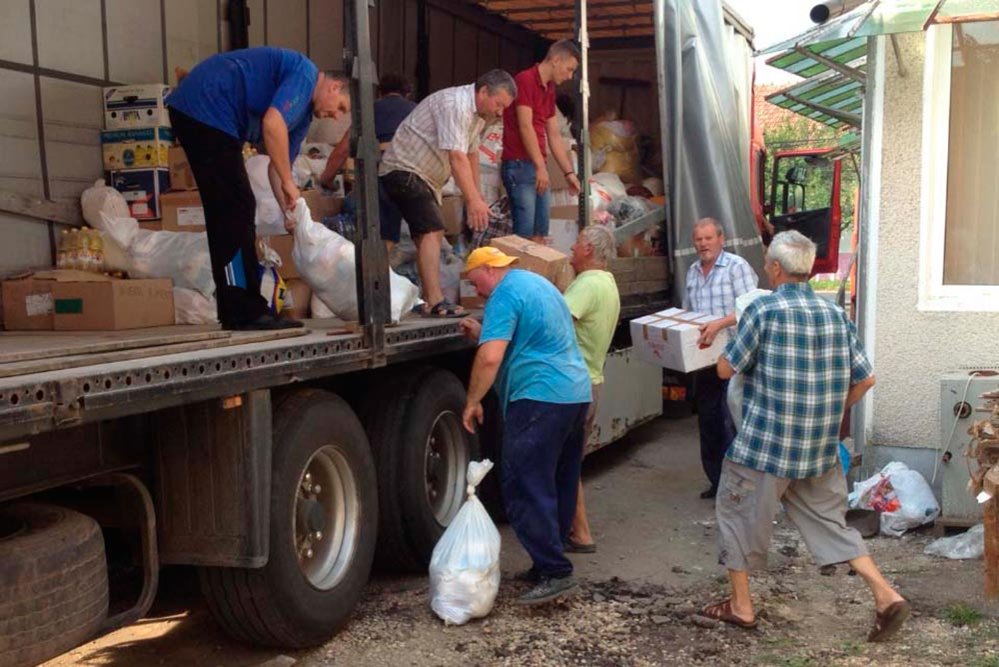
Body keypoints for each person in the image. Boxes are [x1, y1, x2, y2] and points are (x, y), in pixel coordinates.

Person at [704, 230, 909, 642]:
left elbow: (727, 370)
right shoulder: (836, 314)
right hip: (817, 449)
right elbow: (866, 378)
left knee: (736, 514)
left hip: (764, 447)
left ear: (776, 268)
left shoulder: (763, 311)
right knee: (830, 523)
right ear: (809, 268)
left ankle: (742, 607)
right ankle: (886, 594)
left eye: (767, 262)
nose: (766, 267)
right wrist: (831, 413)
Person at [166, 47, 350, 330]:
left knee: (231, 212)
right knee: (235, 210)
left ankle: (237, 306)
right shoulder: (305, 74)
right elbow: (272, 124)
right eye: (340, 107)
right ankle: (243, 308)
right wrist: (290, 185)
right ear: (334, 86)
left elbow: (278, 168)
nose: (336, 117)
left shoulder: (301, 118)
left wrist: (290, 210)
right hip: (206, 105)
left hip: (206, 114)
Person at [458, 246, 591, 605]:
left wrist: (472, 402)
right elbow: (529, 335)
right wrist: (484, 331)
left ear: (488, 269)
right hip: (574, 394)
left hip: (539, 397)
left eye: (476, 282)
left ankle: (554, 571)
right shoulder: (535, 283)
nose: (478, 292)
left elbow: (490, 357)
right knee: (559, 480)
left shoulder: (503, 294)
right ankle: (549, 558)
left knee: (523, 482)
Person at [380, 70, 516, 318]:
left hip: (425, 177)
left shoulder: (478, 117)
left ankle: (423, 299)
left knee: (419, 235)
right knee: (432, 230)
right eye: (499, 104)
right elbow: (457, 156)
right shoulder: (455, 105)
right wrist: (473, 200)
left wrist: (475, 196)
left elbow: (472, 154)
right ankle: (434, 300)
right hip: (405, 169)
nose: (500, 112)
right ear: (483, 91)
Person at [683, 217, 758, 498]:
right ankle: (717, 482)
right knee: (709, 420)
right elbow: (687, 312)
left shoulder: (736, 267)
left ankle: (741, 485)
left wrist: (718, 324)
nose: (703, 244)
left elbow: (752, 308)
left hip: (734, 356)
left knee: (733, 419)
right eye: (698, 239)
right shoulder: (692, 271)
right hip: (704, 359)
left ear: (721, 239)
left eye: (708, 238)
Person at [563, 225, 621, 553]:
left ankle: (581, 533)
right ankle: (577, 530)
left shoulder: (586, 285)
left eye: (576, 243)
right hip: (592, 380)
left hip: (575, 384)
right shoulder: (607, 282)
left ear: (588, 249)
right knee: (569, 461)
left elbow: (556, 324)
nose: (571, 248)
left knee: (565, 462)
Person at [319, 73, 417, 249]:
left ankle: (381, 268)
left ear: (380, 93)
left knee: (356, 208)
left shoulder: (369, 112)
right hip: (415, 178)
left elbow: (341, 151)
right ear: (408, 94)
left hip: (381, 177)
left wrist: (326, 180)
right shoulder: (417, 110)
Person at [501, 41, 582, 243]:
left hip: (536, 166)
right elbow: (525, 126)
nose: (570, 76)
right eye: (569, 69)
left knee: (540, 231)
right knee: (525, 234)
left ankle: (536, 274)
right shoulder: (525, 80)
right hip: (520, 165)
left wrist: (569, 173)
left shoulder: (549, 88)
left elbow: (553, 135)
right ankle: (521, 274)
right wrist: (540, 166)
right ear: (555, 60)